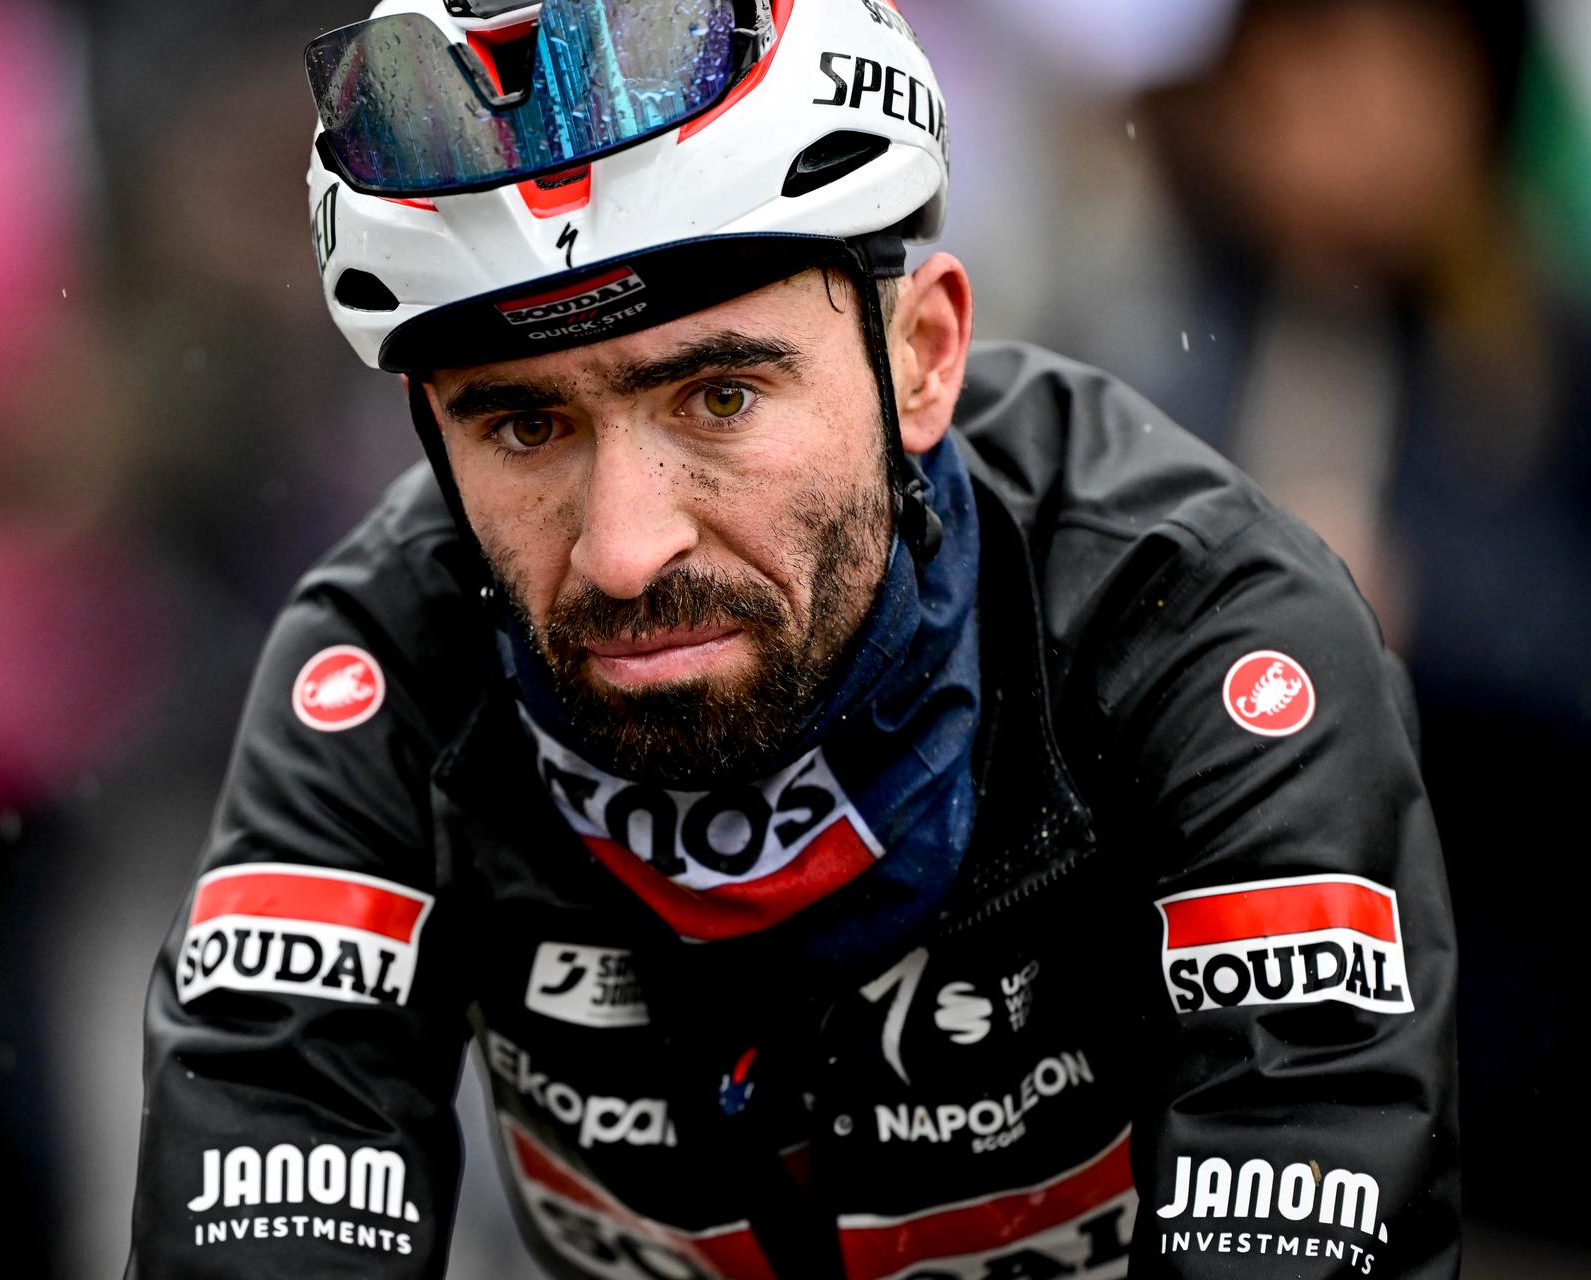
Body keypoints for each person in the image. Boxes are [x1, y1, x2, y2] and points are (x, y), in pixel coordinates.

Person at [126, 3, 1459, 1277]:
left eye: (718, 396)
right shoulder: (387, 666)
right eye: (522, 428)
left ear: (925, 359)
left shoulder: (1196, 630)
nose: (624, 549)